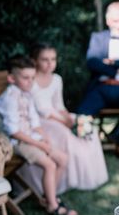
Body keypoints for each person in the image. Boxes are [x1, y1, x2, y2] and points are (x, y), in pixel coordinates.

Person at [0, 56, 77, 215]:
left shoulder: (27, 94)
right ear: (12, 78)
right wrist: (39, 144)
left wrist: (44, 139)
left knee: (63, 159)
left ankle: (48, 196)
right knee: (50, 165)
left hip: (32, 137)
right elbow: (14, 131)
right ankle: (53, 206)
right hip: (15, 143)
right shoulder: (8, 99)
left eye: (32, 78)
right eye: (25, 78)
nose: (30, 82)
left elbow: (34, 121)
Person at [76, 1, 119, 163]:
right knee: (83, 112)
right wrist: (118, 70)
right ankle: (84, 152)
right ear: (108, 21)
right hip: (102, 87)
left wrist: (111, 62)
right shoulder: (98, 38)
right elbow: (92, 62)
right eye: (115, 21)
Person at [30, 44, 108, 190]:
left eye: (53, 59)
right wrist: (64, 121)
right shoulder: (30, 80)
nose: (49, 63)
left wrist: (71, 119)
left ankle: (88, 176)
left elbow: (58, 105)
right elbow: (42, 110)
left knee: (86, 125)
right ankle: (66, 179)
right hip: (40, 121)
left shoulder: (56, 79)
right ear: (35, 61)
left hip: (56, 115)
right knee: (65, 134)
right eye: (44, 59)